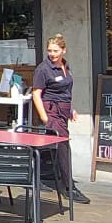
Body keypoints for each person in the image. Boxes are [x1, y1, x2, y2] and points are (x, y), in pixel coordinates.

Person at [30, 34, 90, 205]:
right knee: (63, 146)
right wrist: (45, 118)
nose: (52, 54)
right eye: (49, 50)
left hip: (63, 111)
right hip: (51, 111)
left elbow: (64, 91)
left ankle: (39, 177)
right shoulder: (43, 69)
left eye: (56, 51)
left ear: (64, 50)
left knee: (51, 147)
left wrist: (70, 110)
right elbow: (36, 94)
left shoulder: (65, 65)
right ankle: (68, 187)